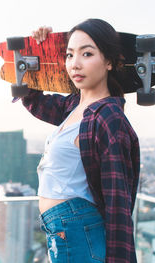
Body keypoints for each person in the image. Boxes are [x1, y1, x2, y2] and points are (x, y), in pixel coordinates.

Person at [22, 19, 140, 262]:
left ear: (109, 62)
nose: (74, 64)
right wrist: (38, 49)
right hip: (64, 233)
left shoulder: (108, 117)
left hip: (79, 234)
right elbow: (34, 100)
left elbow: (118, 202)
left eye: (87, 54)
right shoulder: (74, 106)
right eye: (69, 55)